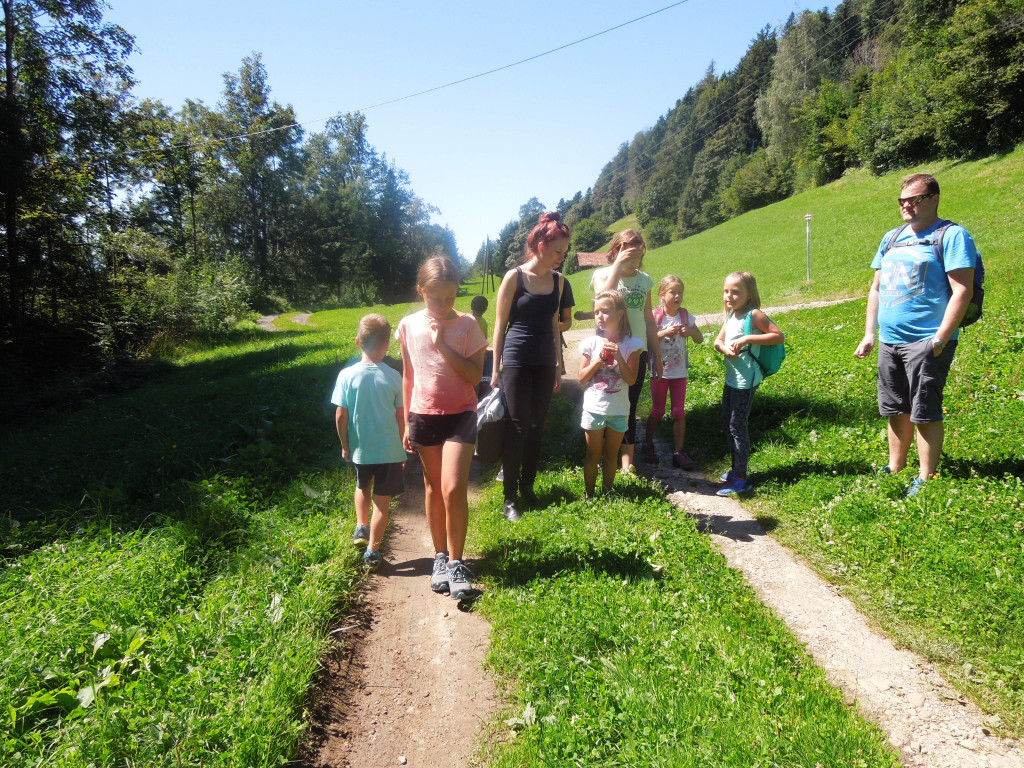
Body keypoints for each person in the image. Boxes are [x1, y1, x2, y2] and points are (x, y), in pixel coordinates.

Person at [854, 173, 979, 497]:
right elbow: (876, 288)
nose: (906, 205)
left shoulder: (952, 236)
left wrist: (940, 339)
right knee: (895, 408)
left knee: (924, 410)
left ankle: (926, 476)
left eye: (915, 199)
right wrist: (870, 333)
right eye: (902, 200)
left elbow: (962, 290)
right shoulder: (892, 237)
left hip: (926, 341)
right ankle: (895, 467)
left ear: (934, 199)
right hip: (889, 340)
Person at [396, 257, 487, 600]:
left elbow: (474, 376)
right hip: (423, 414)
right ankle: (440, 558)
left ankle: (457, 563)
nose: (445, 304)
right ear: (421, 291)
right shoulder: (408, 326)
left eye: (451, 297)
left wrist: (443, 345)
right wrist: (406, 420)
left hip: (460, 414)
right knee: (433, 488)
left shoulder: (467, 325)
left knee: (452, 489)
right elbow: (409, 375)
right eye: (437, 298)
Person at [492, 211, 575, 522]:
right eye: (557, 251)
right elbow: (499, 325)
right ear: (540, 245)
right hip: (516, 359)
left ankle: (527, 486)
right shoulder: (514, 277)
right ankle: (509, 497)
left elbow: (554, 325)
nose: (561, 258)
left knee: (537, 426)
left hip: (544, 360)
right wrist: (496, 367)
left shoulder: (559, 281)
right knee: (517, 426)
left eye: (564, 252)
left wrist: (558, 365)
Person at [330, 314, 407, 571]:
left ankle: (361, 527)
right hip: (389, 452)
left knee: (362, 486)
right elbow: (401, 418)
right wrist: (401, 448)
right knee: (382, 503)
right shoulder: (394, 377)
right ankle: (372, 551)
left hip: (361, 450)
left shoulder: (346, 376)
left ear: (357, 342)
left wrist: (345, 445)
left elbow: (340, 415)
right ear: (387, 344)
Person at [589, 229, 662, 474]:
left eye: (638, 253)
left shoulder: (645, 280)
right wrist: (618, 267)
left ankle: (627, 463)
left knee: (629, 405)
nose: (634, 258)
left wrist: (656, 354)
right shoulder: (602, 275)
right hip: (608, 349)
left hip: (636, 351)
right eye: (628, 252)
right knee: (605, 401)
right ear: (616, 251)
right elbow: (601, 300)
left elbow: (649, 320)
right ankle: (602, 456)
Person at [713, 271, 784, 496]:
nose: (729, 296)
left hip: (746, 380)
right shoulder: (731, 315)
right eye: (726, 291)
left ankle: (741, 478)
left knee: (737, 426)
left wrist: (747, 338)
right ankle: (736, 469)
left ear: (749, 294)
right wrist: (723, 348)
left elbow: (778, 336)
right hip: (732, 377)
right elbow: (718, 340)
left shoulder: (753, 315)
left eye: (736, 292)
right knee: (726, 421)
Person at [578, 290, 643, 499]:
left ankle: (607, 495)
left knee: (610, 456)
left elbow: (631, 380)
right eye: (596, 311)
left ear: (620, 314)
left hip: (618, 410)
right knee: (592, 454)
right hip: (594, 408)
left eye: (605, 311)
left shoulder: (632, 344)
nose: (600, 316)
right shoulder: (591, 343)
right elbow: (582, 377)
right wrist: (598, 360)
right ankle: (589, 496)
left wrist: (619, 357)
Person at [642, 275, 704, 469]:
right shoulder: (655, 316)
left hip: (679, 372)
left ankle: (678, 452)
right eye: (672, 292)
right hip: (659, 370)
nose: (677, 296)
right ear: (661, 294)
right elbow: (646, 339)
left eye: (680, 292)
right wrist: (663, 333)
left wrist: (690, 332)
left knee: (678, 411)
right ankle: (647, 444)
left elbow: (700, 338)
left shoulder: (685, 316)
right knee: (658, 410)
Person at [470, 294, 493, 397]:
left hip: (468, 357)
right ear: (485, 310)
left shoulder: (467, 320)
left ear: (471, 306)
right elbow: (484, 339)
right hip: (480, 357)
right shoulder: (484, 322)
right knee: (478, 380)